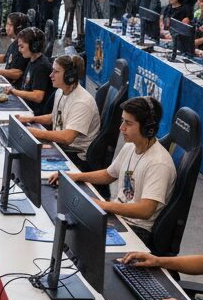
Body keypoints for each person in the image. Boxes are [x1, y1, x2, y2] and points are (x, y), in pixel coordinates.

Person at [52, 96, 176, 240]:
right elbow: (109, 174)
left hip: (136, 229)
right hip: (119, 217)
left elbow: (145, 210)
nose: (121, 127)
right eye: (122, 121)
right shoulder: (131, 145)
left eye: (128, 123)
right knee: (68, 218)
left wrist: (103, 205)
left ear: (148, 129)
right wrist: (76, 176)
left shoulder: (159, 163)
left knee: (76, 235)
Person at [16, 54, 100, 161]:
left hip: (74, 155)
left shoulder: (82, 102)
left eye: (56, 72)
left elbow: (67, 138)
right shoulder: (60, 91)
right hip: (61, 146)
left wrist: (34, 132)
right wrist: (31, 119)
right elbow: (56, 116)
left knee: (27, 155)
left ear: (70, 76)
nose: (51, 75)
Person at [7, 27, 53, 108]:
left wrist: (14, 91)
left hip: (33, 112)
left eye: (22, 47)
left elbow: (37, 96)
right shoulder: (32, 60)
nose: (19, 50)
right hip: (26, 105)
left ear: (33, 46)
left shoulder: (41, 66)